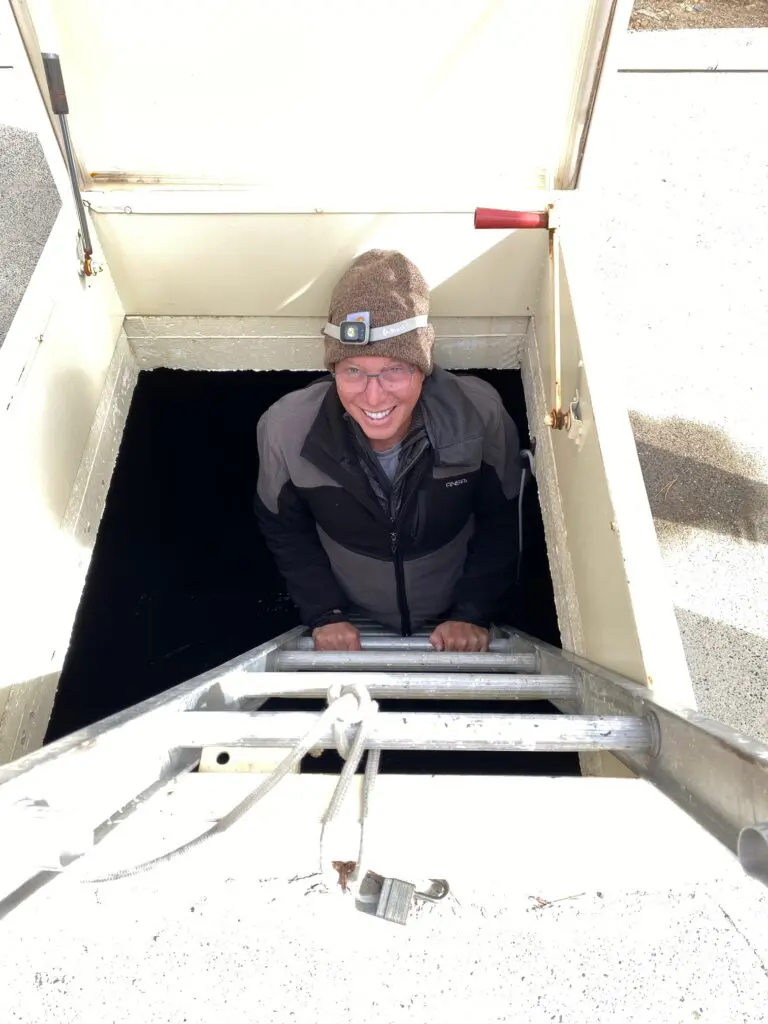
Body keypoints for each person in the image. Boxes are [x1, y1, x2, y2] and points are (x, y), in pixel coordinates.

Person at [254, 249, 522, 652]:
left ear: (423, 368)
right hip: (352, 613)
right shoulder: (286, 428)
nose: (373, 394)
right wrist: (325, 613)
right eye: (353, 371)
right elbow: (283, 528)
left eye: (396, 369)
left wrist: (471, 612)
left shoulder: (477, 414)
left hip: (455, 613)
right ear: (334, 372)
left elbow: (503, 519)